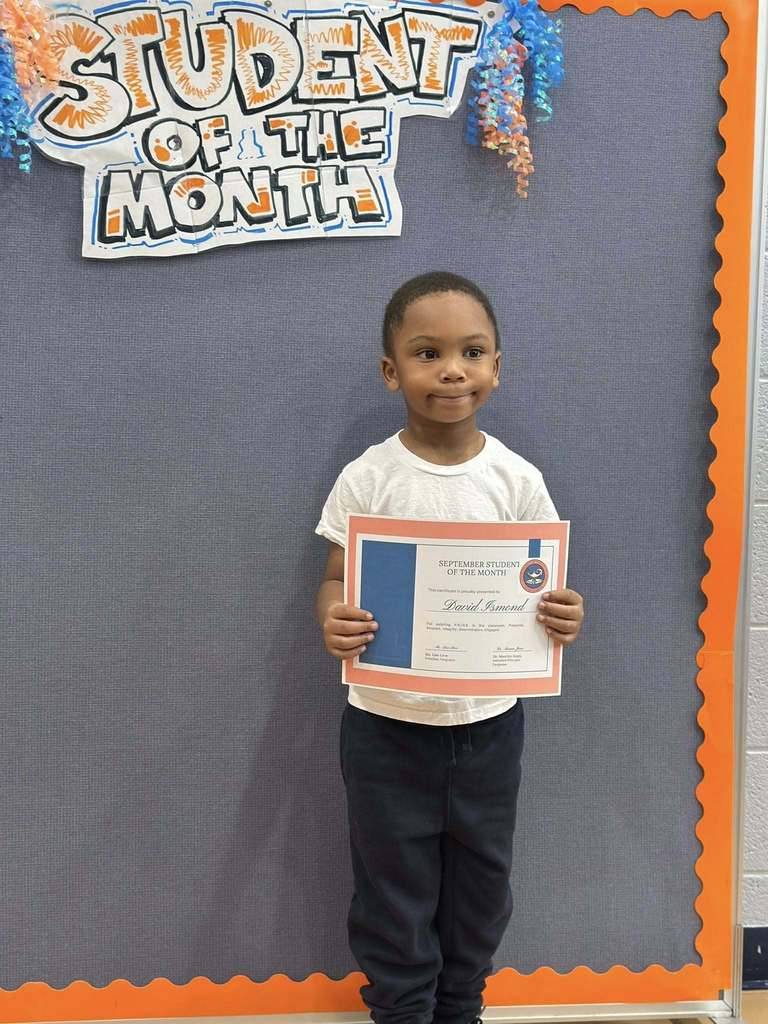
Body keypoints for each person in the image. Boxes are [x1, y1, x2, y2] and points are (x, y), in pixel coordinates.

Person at [315, 271, 584, 1024]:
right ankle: (402, 1011)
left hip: (490, 725)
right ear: (390, 370)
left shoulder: (516, 479)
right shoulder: (369, 476)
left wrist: (563, 614)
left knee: (482, 884)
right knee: (391, 885)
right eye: (428, 353)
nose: (452, 370)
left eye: (472, 352)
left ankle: (460, 1006)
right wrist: (332, 616)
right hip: (384, 725)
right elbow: (336, 577)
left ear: (499, 366)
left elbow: (546, 589)